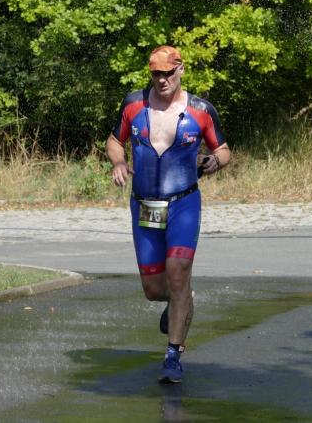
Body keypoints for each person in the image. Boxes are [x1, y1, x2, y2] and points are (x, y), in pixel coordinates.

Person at [106, 45, 231, 384]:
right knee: (153, 288)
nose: (162, 80)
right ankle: (182, 299)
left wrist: (214, 161)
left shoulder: (201, 110)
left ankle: (173, 354)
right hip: (145, 204)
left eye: (167, 73)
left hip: (183, 203)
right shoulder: (134, 104)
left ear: (181, 70)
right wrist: (119, 162)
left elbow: (223, 150)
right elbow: (114, 141)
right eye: (156, 74)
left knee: (177, 272)